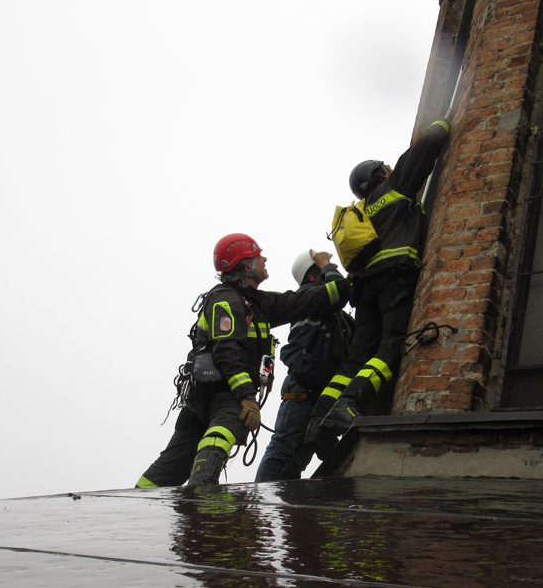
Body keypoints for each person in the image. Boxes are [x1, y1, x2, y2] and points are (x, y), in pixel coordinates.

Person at [136, 235, 349, 488]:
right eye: (259, 255)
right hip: (222, 394)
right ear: (247, 265)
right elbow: (226, 351)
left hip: (209, 396)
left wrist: (328, 267)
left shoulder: (259, 304)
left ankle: (141, 502)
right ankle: (200, 494)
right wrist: (247, 397)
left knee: (174, 464)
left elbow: (326, 297)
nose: (265, 258)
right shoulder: (225, 299)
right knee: (226, 429)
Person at [304, 111, 453, 457]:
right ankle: (350, 405)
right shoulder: (394, 187)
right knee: (392, 346)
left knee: (355, 360)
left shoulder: (361, 211)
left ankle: (317, 422)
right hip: (395, 280)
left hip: (365, 290)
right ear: (380, 173)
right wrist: (446, 120)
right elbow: (427, 145)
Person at [254, 251, 355, 482]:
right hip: (302, 391)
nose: (330, 271)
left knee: (297, 460)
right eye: (323, 270)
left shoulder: (339, 318)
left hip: (319, 395)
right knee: (282, 450)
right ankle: (257, 505)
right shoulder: (311, 295)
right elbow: (339, 291)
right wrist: (327, 265)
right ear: (313, 277)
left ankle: (289, 511)